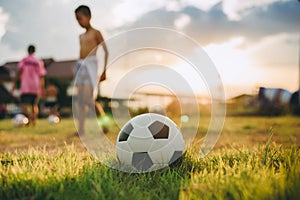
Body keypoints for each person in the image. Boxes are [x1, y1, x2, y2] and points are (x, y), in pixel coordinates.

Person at [74, 5, 109, 135]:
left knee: (88, 99)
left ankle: (104, 124)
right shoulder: (81, 36)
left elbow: (106, 51)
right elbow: (80, 54)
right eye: (77, 19)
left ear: (89, 17)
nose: (79, 22)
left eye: (80, 18)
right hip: (81, 68)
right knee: (80, 100)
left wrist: (104, 70)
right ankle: (81, 130)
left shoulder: (96, 33)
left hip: (91, 67)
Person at [12, 45, 46, 126]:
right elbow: (41, 76)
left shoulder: (24, 60)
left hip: (26, 86)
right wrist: (42, 88)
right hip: (35, 86)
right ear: (34, 51)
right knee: (34, 104)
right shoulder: (38, 62)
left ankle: (28, 116)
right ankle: (33, 121)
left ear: (28, 51)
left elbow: (19, 72)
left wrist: (14, 84)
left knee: (23, 104)